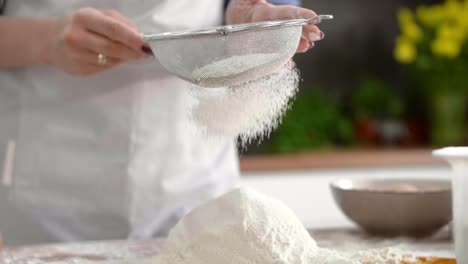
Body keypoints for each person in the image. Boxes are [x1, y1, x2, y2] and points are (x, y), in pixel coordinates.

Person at [0, 0, 323, 245]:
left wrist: (248, 15)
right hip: (49, 188)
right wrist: (46, 39)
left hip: (194, 183)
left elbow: (250, 6)